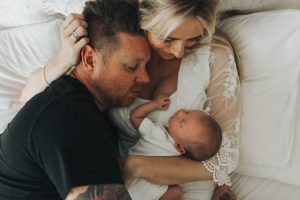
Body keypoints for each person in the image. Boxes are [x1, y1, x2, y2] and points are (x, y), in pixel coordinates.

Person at [20, 0, 240, 200]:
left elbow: (224, 160)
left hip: (180, 188)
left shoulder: (214, 56)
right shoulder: (121, 46)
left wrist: (135, 166)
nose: (180, 51)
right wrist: (64, 59)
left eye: (194, 38)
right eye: (168, 38)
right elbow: (31, 101)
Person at [0, 0, 150, 199]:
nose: (146, 78)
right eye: (131, 67)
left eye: (146, 66)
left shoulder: (78, 106)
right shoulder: (69, 118)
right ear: (89, 59)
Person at [127, 94, 222, 200]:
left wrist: (154, 104)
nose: (180, 113)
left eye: (182, 123)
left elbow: (135, 116)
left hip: (131, 183)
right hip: (148, 190)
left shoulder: (157, 133)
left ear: (180, 147)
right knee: (175, 191)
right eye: (187, 112)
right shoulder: (181, 158)